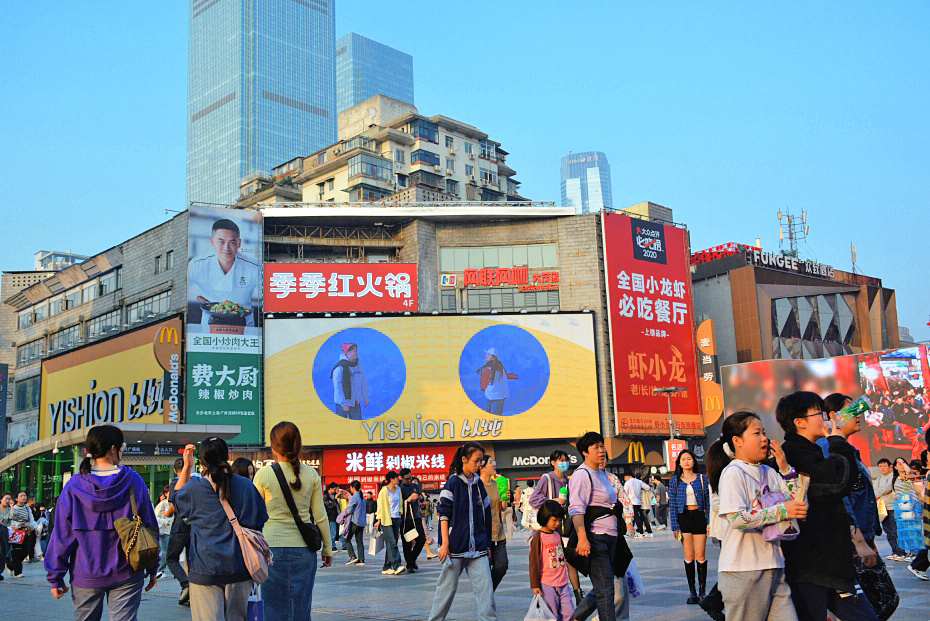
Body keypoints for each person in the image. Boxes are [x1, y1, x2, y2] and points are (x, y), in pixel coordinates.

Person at [777, 391, 879, 621]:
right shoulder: (794, 453)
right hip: (810, 564)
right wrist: (837, 440)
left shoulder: (810, 449)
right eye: (819, 413)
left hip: (829, 562)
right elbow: (838, 482)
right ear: (799, 422)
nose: (825, 418)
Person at [44, 424, 159, 620]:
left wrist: (55, 577)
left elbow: (62, 535)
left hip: (85, 573)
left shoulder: (74, 486)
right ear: (113, 449)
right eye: (121, 446)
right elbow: (149, 526)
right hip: (128, 571)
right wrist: (152, 567)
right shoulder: (134, 481)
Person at [707, 411, 807, 621]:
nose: (764, 438)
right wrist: (781, 511)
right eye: (756, 433)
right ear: (737, 441)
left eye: (764, 432)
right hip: (743, 571)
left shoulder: (769, 472)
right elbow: (736, 518)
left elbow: (797, 503)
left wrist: (786, 470)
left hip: (775, 566)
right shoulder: (733, 473)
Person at [175, 437, 268, 621]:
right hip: (240, 568)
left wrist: (187, 467)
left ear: (202, 461)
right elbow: (259, 521)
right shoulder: (246, 486)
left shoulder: (194, 488)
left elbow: (176, 500)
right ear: (227, 456)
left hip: (205, 568)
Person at [253, 421, 333, 621]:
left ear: (273, 447)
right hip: (304, 550)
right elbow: (320, 515)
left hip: (271, 550)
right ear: (298, 444)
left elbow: (254, 516)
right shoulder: (311, 474)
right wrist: (327, 549)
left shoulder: (263, 474)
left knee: (273, 611)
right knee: (301, 610)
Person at [428, 441, 497, 621]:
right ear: (464, 459)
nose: (479, 465)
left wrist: (487, 543)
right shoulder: (452, 483)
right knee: (446, 591)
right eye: (476, 461)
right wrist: (444, 545)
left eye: (481, 461)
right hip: (454, 549)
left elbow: (486, 515)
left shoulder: (478, 484)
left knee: (486, 593)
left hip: (479, 549)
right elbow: (443, 515)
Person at [568, 431, 631, 621]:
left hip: (611, 538)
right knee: (606, 592)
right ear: (585, 452)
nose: (601, 450)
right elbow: (576, 509)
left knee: (602, 588)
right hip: (596, 538)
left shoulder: (601, 474)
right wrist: (583, 539)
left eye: (602, 445)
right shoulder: (582, 474)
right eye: (595, 447)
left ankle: (574, 618)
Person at [528, 449, 584, 603]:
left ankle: (577, 592)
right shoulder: (547, 479)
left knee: (569, 561)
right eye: (560, 460)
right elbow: (534, 500)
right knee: (551, 561)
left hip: (565, 526)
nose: (563, 463)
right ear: (552, 462)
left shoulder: (568, 480)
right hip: (549, 529)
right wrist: (551, 501)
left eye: (566, 460)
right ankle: (548, 591)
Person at [188, 218, 259, 326]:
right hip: (209, 327)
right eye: (221, 242)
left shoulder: (253, 267)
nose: (226, 248)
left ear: (239, 243)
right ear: (212, 242)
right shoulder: (198, 264)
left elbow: (268, 294)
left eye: (232, 242)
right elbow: (182, 289)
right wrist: (196, 295)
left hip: (245, 328)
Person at [668, 450, 711, 604]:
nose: (686, 462)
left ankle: (702, 591)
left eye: (689, 458)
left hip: (699, 516)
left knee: (700, 555)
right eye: (683, 459)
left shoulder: (702, 479)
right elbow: (672, 504)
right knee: (689, 556)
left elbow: (709, 501)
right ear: (679, 463)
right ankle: (692, 591)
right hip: (683, 518)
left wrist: (709, 522)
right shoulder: (674, 481)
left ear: (694, 461)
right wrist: (675, 526)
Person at [530, 500, 575, 621]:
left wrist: (576, 552)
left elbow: (563, 553)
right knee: (552, 614)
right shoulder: (538, 538)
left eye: (559, 520)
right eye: (554, 520)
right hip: (547, 584)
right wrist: (535, 584)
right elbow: (533, 562)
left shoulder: (557, 535)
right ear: (545, 517)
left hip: (562, 581)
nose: (557, 523)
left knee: (569, 612)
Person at [164, 457, 193, 606]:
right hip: (193, 528)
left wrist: (166, 513)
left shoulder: (175, 482)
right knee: (191, 560)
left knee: (171, 559)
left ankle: (185, 584)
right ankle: (192, 594)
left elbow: (174, 506)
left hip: (179, 528)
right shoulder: (195, 482)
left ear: (175, 470)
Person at [480, 456, 509, 589]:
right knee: (485, 570)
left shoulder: (497, 484)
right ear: (482, 467)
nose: (494, 464)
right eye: (491, 462)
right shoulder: (477, 486)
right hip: (484, 535)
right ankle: (486, 595)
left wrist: (505, 498)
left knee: (502, 566)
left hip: (499, 533)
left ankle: (488, 592)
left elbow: (502, 507)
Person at [873, 458, 908, 561]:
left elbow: (886, 488)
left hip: (892, 507)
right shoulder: (879, 479)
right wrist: (879, 492)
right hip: (883, 508)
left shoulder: (893, 476)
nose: (882, 468)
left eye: (884, 466)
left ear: (890, 466)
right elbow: (875, 489)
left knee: (895, 531)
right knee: (888, 531)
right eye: (880, 466)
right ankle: (895, 552)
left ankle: (901, 552)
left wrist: (879, 493)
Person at [893, 456, 925, 560]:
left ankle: (916, 553)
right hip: (902, 508)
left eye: (903, 463)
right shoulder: (895, 479)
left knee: (915, 530)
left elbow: (908, 470)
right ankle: (911, 552)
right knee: (906, 531)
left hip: (913, 506)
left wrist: (901, 460)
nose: (901, 466)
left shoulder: (910, 476)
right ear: (895, 467)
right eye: (899, 464)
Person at [375, 470, 404, 575]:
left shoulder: (398, 490)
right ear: (392, 479)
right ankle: (397, 564)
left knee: (392, 543)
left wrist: (400, 512)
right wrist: (378, 519)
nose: (398, 479)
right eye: (397, 477)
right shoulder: (384, 491)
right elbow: (380, 506)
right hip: (386, 519)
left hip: (396, 518)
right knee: (392, 542)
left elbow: (400, 502)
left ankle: (386, 567)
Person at [331, 343, 369, 420]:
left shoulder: (358, 366)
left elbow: (363, 382)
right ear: (347, 353)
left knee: (358, 426)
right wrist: (343, 404)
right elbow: (338, 388)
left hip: (355, 402)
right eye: (354, 351)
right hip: (342, 404)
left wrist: (365, 397)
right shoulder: (339, 368)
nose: (357, 353)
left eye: (356, 351)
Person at [399, 467, 426, 572]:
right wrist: (408, 500)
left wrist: (419, 498)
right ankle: (410, 564)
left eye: (410, 478)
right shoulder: (399, 489)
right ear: (401, 478)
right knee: (407, 542)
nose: (409, 480)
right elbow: (399, 504)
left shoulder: (415, 486)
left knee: (421, 539)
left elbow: (422, 498)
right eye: (406, 479)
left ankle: (412, 559)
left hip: (416, 517)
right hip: (405, 519)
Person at [5, 491, 35, 578]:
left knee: (25, 552)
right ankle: (18, 572)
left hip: (26, 531)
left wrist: (34, 527)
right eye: (21, 496)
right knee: (17, 551)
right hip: (17, 532)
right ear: (16, 498)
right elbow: (10, 520)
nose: (23, 497)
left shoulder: (27, 508)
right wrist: (18, 524)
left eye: (25, 495)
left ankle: (10, 565)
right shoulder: (13, 508)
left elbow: (31, 519)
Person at [477, 348, 512, 415]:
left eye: (488, 354)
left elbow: (483, 384)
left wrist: (484, 389)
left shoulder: (488, 369)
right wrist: (515, 376)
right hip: (499, 395)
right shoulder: (499, 366)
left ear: (493, 358)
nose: (486, 355)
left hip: (492, 395)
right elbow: (505, 375)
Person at [344, 480, 367, 567]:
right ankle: (361, 559)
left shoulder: (354, 497)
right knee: (359, 541)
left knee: (346, 538)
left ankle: (352, 556)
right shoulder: (362, 498)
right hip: (362, 522)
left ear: (353, 488)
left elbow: (349, 510)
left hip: (355, 521)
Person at [622, 473, 652, 537]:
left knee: (634, 517)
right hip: (638, 502)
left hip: (630, 502)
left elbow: (624, 493)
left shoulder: (627, 483)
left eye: (625, 477)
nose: (624, 479)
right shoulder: (639, 481)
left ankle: (640, 532)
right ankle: (631, 532)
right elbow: (647, 487)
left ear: (628, 476)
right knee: (636, 517)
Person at [155, 485, 173, 579]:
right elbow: (156, 517)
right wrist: (165, 522)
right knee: (165, 551)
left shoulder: (173, 503)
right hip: (164, 531)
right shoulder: (162, 504)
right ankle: (160, 570)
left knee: (169, 551)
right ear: (166, 494)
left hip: (171, 531)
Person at [323, 482, 341, 552]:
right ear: (330, 488)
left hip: (337, 516)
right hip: (330, 516)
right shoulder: (325, 497)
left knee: (338, 532)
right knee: (332, 532)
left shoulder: (335, 495)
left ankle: (335, 545)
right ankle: (332, 546)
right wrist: (335, 499)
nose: (335, 490)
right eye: (334, 489)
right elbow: (330, 506)